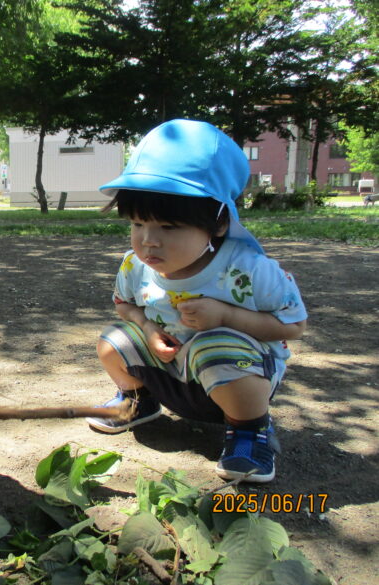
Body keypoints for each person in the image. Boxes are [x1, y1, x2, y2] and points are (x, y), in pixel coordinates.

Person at [85, 119, 307, 483]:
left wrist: (227, 315)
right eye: (138, 224)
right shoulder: (136, 266)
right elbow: (124, 304)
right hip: (171, 370)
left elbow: (294, 325)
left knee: (215, 345)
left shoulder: (249, 271)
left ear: (218, 223)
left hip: (239, 377)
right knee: (113, 339)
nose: (148, 241)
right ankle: (140, 402)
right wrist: (148, 327)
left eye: (168, 227)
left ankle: (251, 431)